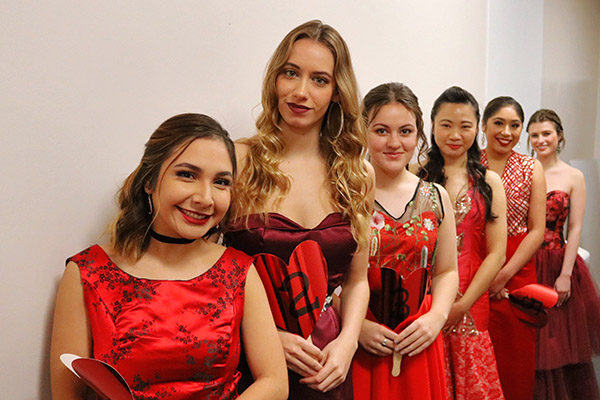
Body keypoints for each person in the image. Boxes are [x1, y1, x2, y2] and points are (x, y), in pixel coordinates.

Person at [50, 114, 288, 400]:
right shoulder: (88, 272)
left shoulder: (239, 270)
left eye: (221, 182)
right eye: (187, 175)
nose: (205, 197)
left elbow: (275, 382)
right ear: (149, 181)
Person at [225, 20, 374, 400]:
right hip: (251, 364)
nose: (301, 92)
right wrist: (265, 337)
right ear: (275, 78)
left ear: (338, 92)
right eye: (291, 73)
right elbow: (208, 276)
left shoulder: (357, 174)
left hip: (327, 364)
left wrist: (348, 343)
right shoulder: (240, 160)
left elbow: (357, 279)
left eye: (319, 80)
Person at [352, 82, 459, 400]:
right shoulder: (345, 194)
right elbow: (334, 277)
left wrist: (436, 318)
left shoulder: (436, 196)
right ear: (363, 132)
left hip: (419, 339)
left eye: (405, 131)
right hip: (360, 340)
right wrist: (356, 328)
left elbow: (446, 272)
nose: (394, 143)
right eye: (382, 130)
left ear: (418, 136)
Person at [419, 86, 507, 399]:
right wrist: (440, 308)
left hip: (471, 304)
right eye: (446, 124)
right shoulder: (417, 177)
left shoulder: (489, 181)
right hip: (424, 304)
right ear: (432, 126)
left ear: (477, 128)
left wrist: (462, 305)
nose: (455, 134)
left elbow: (497, 253)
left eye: (465, 126)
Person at [528, 109, 600, 400]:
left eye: (546, 133)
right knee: (532, 342)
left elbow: (576, 226)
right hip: (528, 263)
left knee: (559, 343)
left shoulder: (574, 175)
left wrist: (566, 275)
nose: (541, 140)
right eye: (534, 135)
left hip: (560, 263)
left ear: (559, 136)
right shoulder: (523, 171)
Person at [480, 97, 547, 400]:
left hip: (518, 270)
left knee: (516, 360)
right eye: (498, 123)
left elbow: (537, 230)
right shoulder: (470, 164)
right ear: (483, 126)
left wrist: (503, 275)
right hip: (476, 264)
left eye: (514, 125)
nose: (506, 131)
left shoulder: (531, 167)